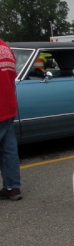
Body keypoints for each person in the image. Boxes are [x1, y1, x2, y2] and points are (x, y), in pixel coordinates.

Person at [0, 38, 22, 201]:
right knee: (8, 150)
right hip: (8, 105)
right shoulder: (5, 48)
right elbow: (12, 76)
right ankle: (12, 187)